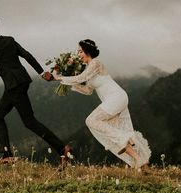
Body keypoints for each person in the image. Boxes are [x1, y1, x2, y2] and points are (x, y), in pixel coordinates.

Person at [0, 14, 74, 163]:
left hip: (14, 86)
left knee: (29, 122)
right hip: (19, 83)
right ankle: (7, 155)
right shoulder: (9, 40)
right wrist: (41, 72)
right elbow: (27, 55)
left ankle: (62, 149)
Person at [52, 39, 151, 169]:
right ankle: (139, 161)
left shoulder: (95, 63)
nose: (78, 54)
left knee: (91, 121)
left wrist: (61, 78)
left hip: (116, 97)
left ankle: (124, 139)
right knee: (111, 131)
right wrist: (69, 81)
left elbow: (81, 78)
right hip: (113, 100)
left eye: (80, 51)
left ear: (88, 51)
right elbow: (88, 90)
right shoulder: (89, 69)